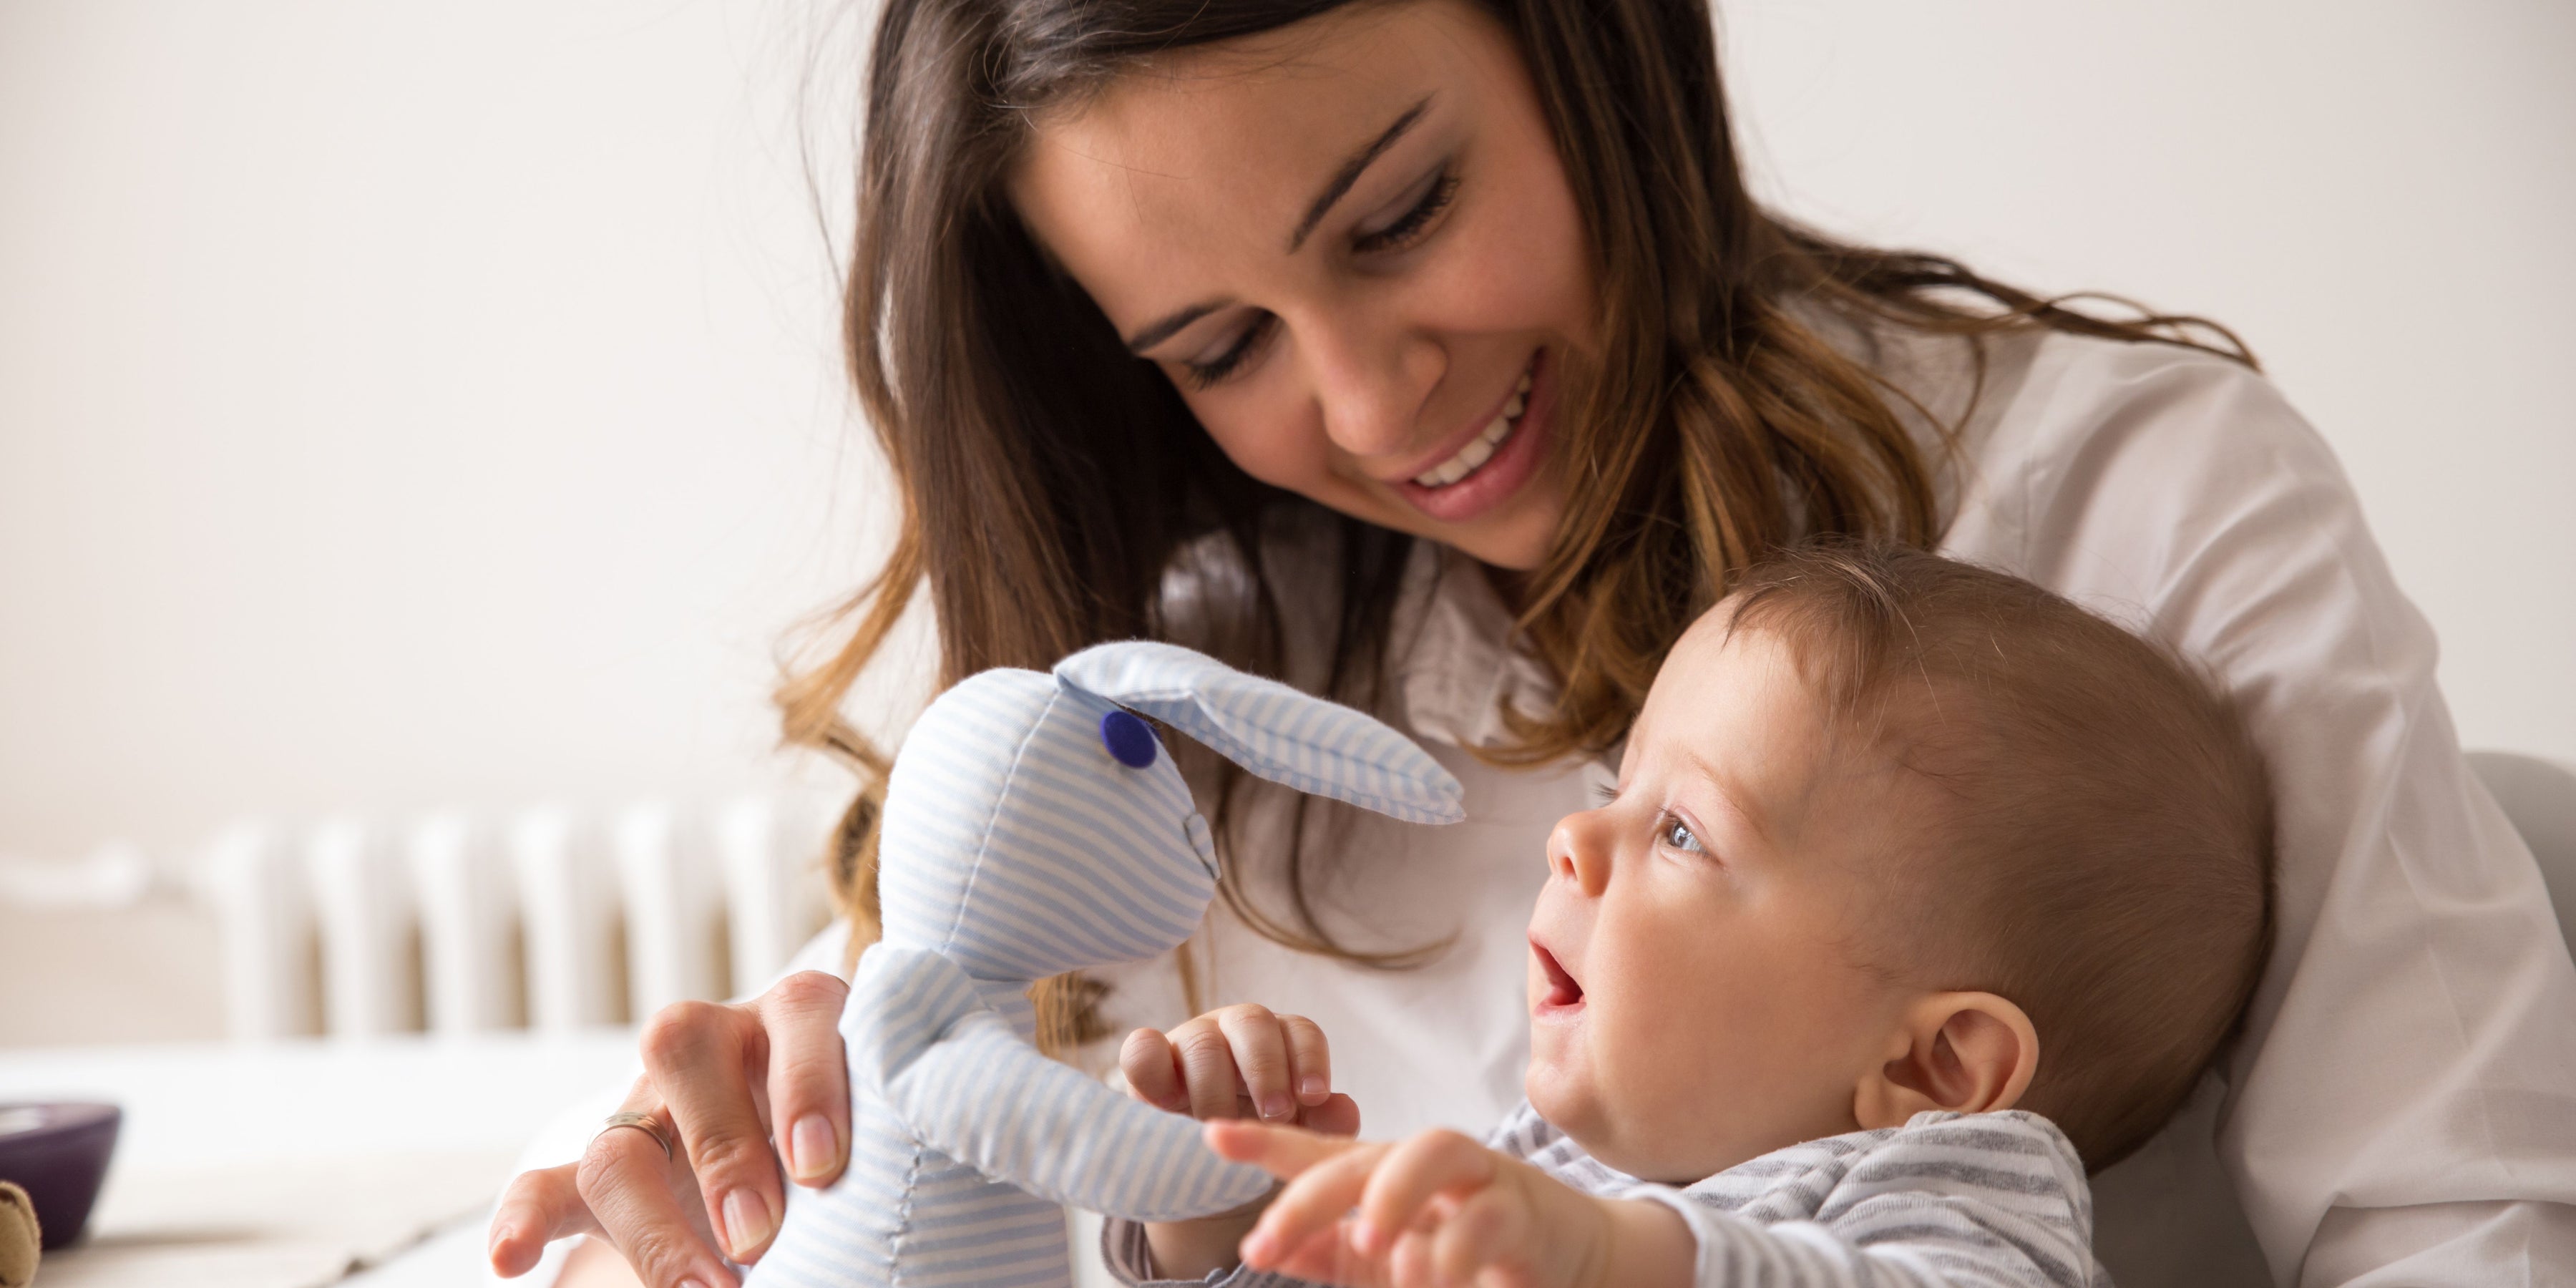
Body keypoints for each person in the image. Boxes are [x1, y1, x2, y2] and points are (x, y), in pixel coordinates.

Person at [484, 0, 2576, 1284]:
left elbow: (2460, 1236)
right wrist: (788, 1174)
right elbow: (989, 1176)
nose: (1379, 413)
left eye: (1396, 217)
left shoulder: (2140, 504)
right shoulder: (1178, 694)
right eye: (1218, 346)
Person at [1103, 543, 2272, 1288]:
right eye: (1621, 792)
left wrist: (1611, 1260)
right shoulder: (1553, 1165)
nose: (1574, 838)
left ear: (1934, 1065)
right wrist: (1221, 1222)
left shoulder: (1951, 1198)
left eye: (1682, 834)